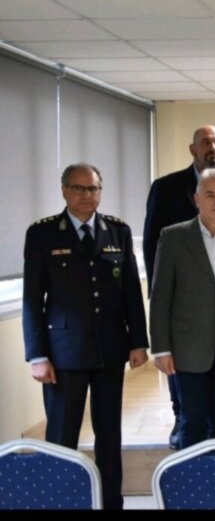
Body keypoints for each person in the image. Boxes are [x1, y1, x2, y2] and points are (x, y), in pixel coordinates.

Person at [22, 163, 149, 510]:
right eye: (78, 188)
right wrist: (37, 355)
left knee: (109, 436)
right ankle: (60, 502)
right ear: (64, 191)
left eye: (93, 189)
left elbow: (130, 292)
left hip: (110, 349)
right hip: (63, 353)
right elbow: (32, 299)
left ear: (100, 192)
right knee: (62, 436)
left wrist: (138, 341)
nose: (86, 196)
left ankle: (110, 502)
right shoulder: (43, 234)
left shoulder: (117, 231)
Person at [142, 124, 215, 449]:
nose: (212, 148)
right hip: (185, 311)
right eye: (205, 142)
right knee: (188, 401)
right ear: (193, 149)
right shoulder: (166, 187)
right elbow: (152, 245)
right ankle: (182, 422)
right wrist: (162, 304)